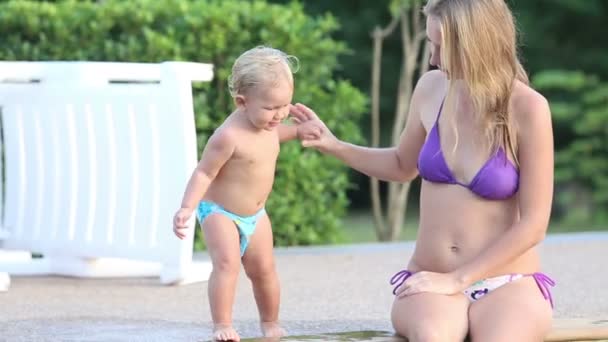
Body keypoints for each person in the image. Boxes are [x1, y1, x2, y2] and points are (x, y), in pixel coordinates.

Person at [290, 0, 556, 340]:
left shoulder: (528, 109)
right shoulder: (431, 89)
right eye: (432, 44)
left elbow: (534, 225)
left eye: (442, 46)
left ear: (477, 43)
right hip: (430, 278)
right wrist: (335, 145)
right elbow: (402, 165)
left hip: (509, 283)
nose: (432, 57)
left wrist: (458, 280)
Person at [172, 46, 319, 342]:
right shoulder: (228, 137)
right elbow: (204, 173)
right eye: (270, 108)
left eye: (285, 105)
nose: (279, 115)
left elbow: (278, 132)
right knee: (227, 266)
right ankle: (222, 325)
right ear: (242, 102)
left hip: (255, 214)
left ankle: (270, 321)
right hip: (219, 212)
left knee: (265, 269)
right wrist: (187, 207)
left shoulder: (268, 124)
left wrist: (301, 131)